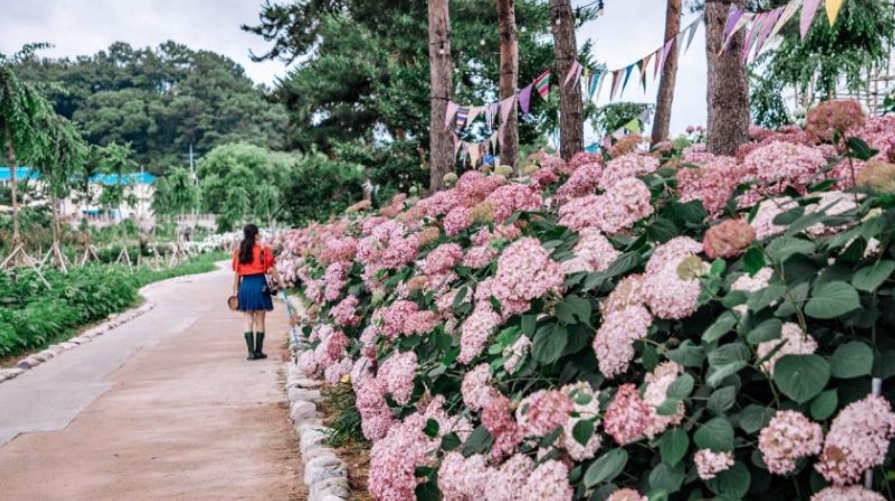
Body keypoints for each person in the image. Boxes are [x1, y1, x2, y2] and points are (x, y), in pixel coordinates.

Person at [232, 224, 285, 360]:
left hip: (245, 287)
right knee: (260, 320)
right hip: (260, 286)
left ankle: (250, 353)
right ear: (255, 235)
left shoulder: (239, 252)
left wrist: (235, 292)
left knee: (247, 319)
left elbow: (237, 274)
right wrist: (280, 282)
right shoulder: (263, 250)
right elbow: (271, 269)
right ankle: (258, 351)